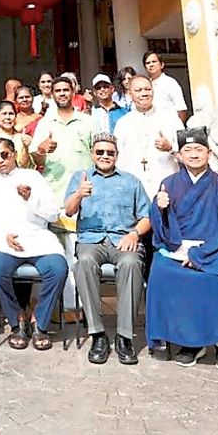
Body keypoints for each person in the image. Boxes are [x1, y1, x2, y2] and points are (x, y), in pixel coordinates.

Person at [145, 127, 218, 370]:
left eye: (199, 149)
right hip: (177, 246)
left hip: (214, 249)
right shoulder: (169, 183)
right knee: (163, 272)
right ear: (179, 156)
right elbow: (159, 226)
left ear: (209, 153)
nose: (194, 154)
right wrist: (160, 208)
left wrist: (200, 255)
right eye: (188, 150)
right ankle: (189, 342)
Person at [64, 133, 151, 365]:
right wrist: (79, 194)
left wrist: (135, 233)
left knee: (132, 263)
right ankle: (97, 334)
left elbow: (147, 216)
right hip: (91, 240)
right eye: (100, 152)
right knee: (83, 263)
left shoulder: (131, 181)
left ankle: (124, 336)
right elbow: (69, 211)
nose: (105, 156)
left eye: (109, 152)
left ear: (116, 155)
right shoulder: (80, 178)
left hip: (124, 239)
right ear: (93, 154)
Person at [0, 137, 68, 351]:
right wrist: (2, 237)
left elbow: (53, 214)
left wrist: (31, 198)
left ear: (14, 154)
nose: (1, 160)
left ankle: (39, 321)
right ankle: (17, 318)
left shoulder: (33, 177)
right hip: (4, 241)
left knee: (58, 269)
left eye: (5, 155)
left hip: (37, 237)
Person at [114, 75, 181, 197]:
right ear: (129, 94)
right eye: (138, 90)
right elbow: (119, 159)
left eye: (147, 89)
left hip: (167, 186)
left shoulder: (170, 117)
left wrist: (170, 147)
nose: (144, 93)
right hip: (135, 188)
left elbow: (186, 150)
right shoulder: (123, 123)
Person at [31, 76, 95, 203]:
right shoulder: (45, 123)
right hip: (55, 191)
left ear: (73, 92)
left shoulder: (88, 121)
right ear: (53, 94)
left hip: (85, 190)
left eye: (65, 90)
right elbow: (37, 161)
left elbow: (98, 153)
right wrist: (41, 150)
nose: (62, 94)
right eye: (58, 91)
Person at [0, 101, 34, 171]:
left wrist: (26, 147)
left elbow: (25, 167)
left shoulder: (24, 138)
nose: (8, 117)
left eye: (11, 114)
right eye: (4, 114)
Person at [143, 51, 188, 125]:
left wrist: (177, 130)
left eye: (154, 62)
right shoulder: (145, 85)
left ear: (162, 65)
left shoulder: (170, 83)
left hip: (169, 128)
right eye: (148, 63)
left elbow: (181, 109)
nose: (151, 65)